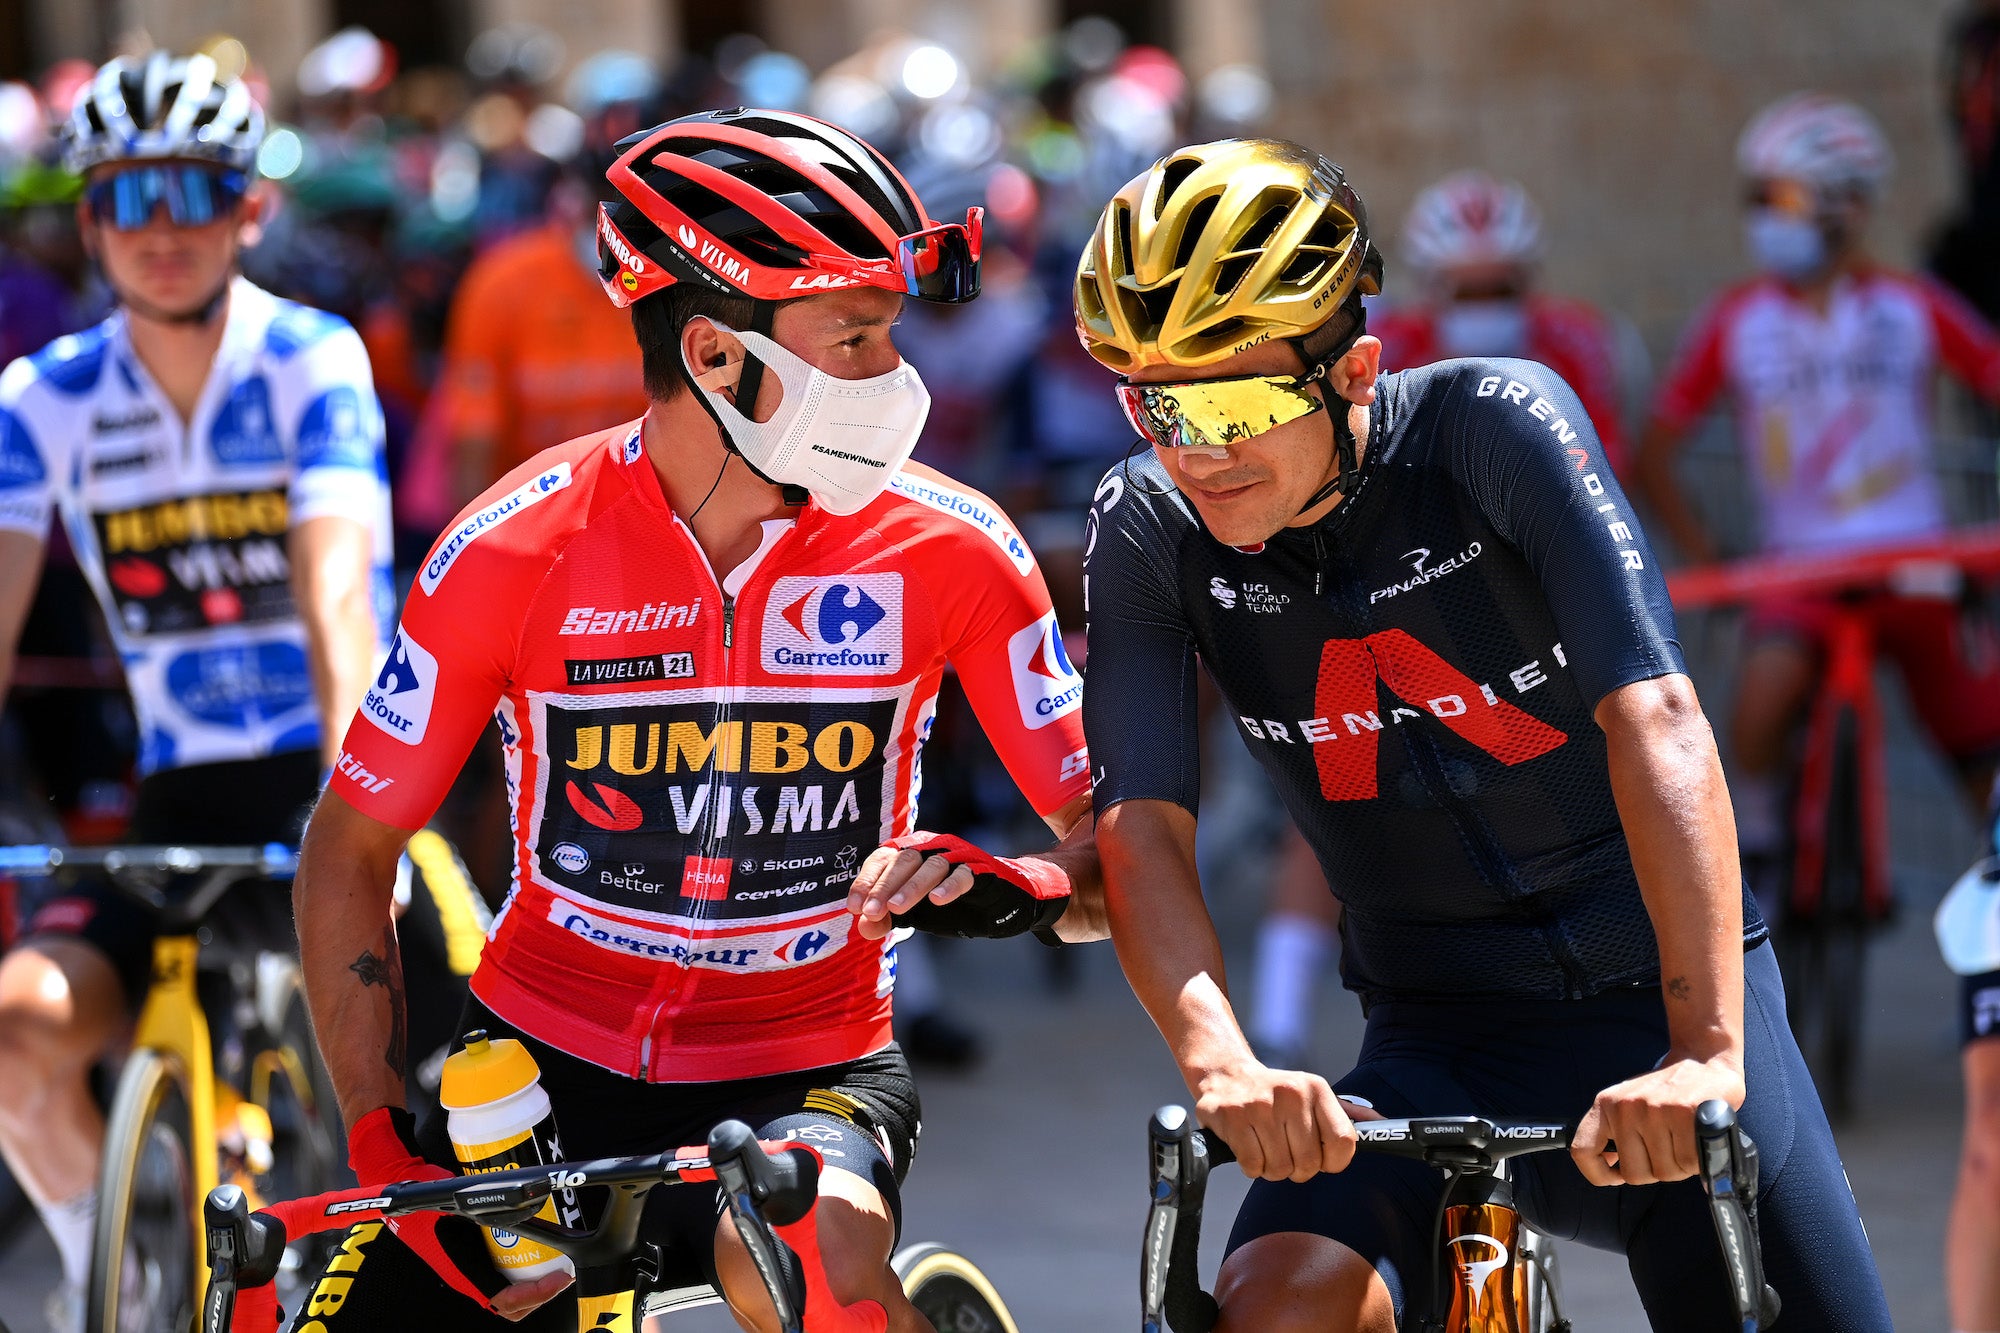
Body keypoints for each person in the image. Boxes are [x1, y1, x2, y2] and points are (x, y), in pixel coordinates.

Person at [285, 107, 1103, 1331]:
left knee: (793, 1250)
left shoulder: (952, 546)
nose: (900, 380)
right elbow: (350, 846)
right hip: (532, 1069)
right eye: (861, 338)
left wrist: (1029, 885)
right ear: (721, 358)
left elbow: (1116, 847)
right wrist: (371, 1125)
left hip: (813, 1071)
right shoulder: (511, 547)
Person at [1077, 137, 1889, 1327]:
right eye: (1155, 400)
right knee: (1279, 1304)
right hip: (1432, 1032)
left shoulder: (1488, 429)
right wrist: (1226, 1067)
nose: (1194, 445)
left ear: (1351, 370)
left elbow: (1655, 715)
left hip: (1657, 994)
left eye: (1236, 398)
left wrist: (1707, 1049)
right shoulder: (1148, 527)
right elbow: (1138, 822)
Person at [0, 51, 396, 1330]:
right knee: (16, 1030)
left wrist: (357, 819)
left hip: (341, 764)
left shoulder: (310, 358)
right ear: (88, 217)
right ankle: (102, 1276)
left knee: (456, 1066)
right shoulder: (41, 399)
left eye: (195, 193)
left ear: (251, 210)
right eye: (128, 196)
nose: (161, 229)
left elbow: (338, 597)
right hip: (181, 778)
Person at [1635, 95, 2000, 907]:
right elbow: (1654, 447)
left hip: (1921, 564)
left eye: (1789, 199)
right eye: (1757, 197)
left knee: (1985, 755)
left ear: (1851, 206)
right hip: (1797, 570)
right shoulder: (1736, 319)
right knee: (1756, 707)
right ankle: (1760, 853)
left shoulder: (1914, 304)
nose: (1767, 218)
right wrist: (1709, 554)